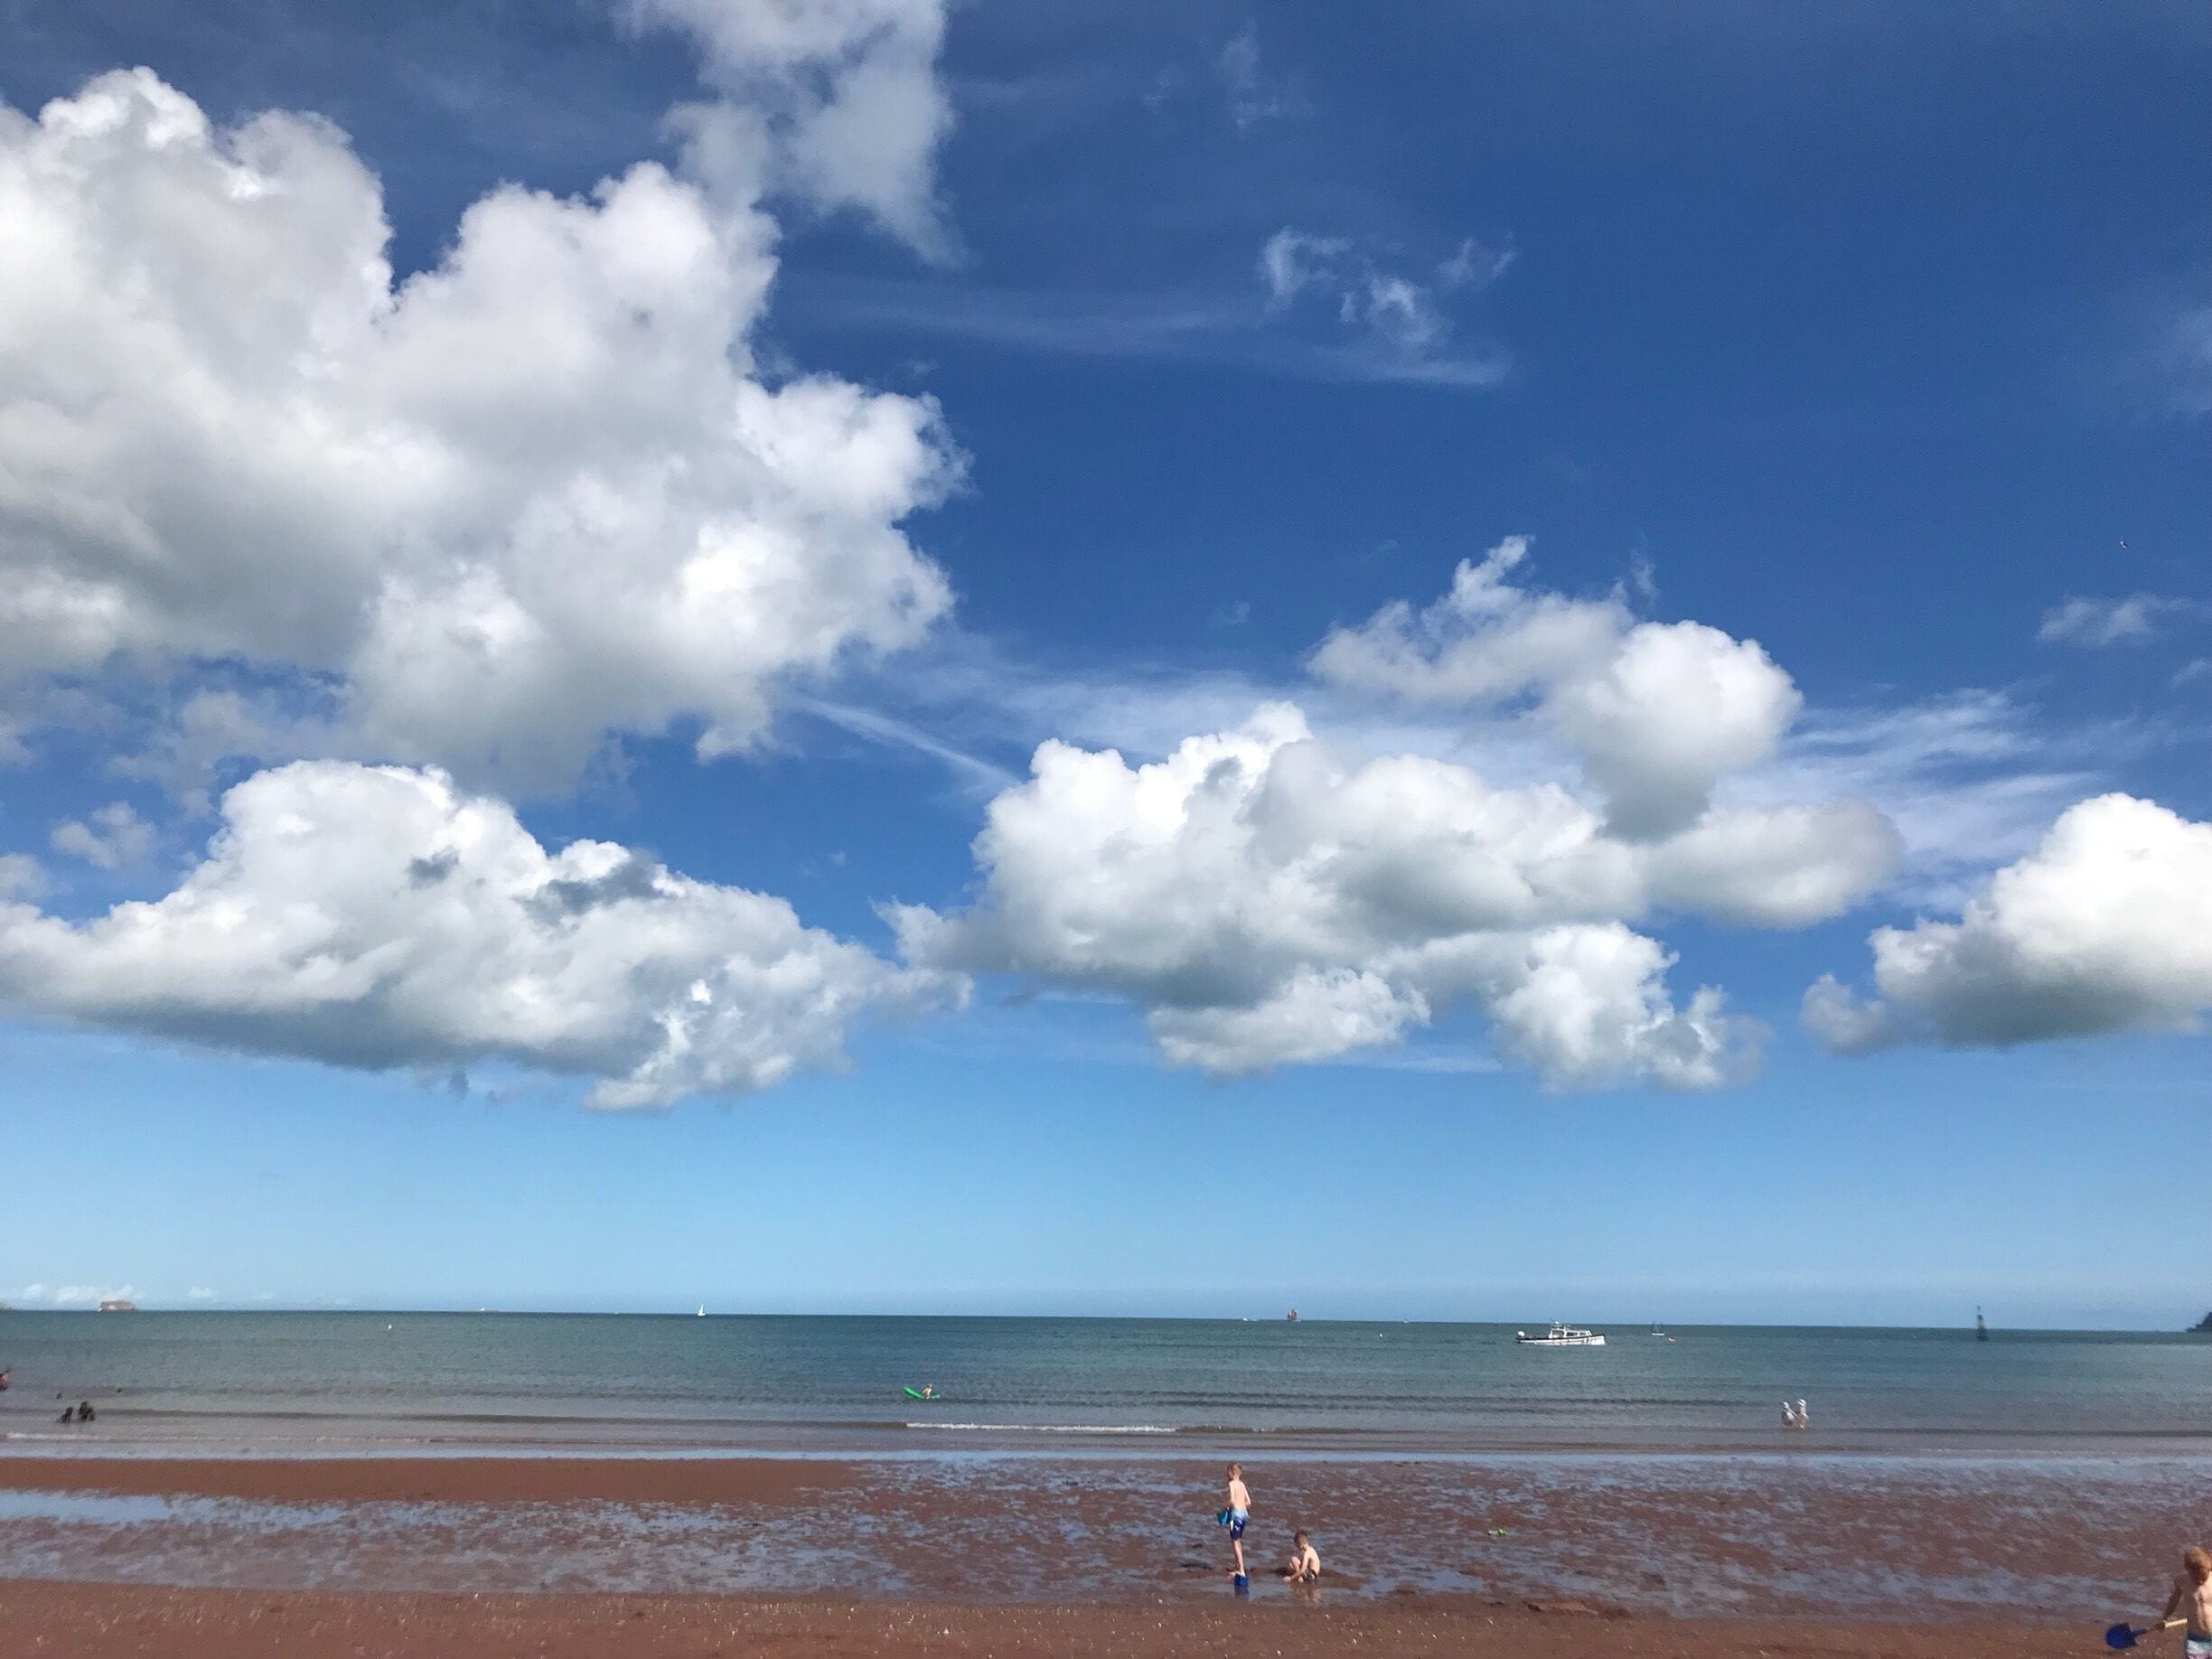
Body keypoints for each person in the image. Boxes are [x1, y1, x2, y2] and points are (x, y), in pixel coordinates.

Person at [2159, 1546, 2212, 1658]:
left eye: (2204, 1577)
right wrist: (2166, 1617)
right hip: (2196, 1640)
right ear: (2188, 1569)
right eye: (2196, 1577)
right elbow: (2174, 1600)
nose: (2200, 1581)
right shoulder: (2182, 1581)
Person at [1221, 1463, 1251, 1585]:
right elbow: (1248, 1502)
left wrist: (1225, 1506)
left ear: (1232, 1473)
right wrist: (1241, 1504)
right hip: (1244, 1514)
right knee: (1238, 1540)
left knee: (1234, 1541)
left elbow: (1232, 1501)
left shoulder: (1232, 1484)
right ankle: (1238, 1564)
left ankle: (1241, 1570)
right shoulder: (1242, 1484)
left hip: (1236, 1515)